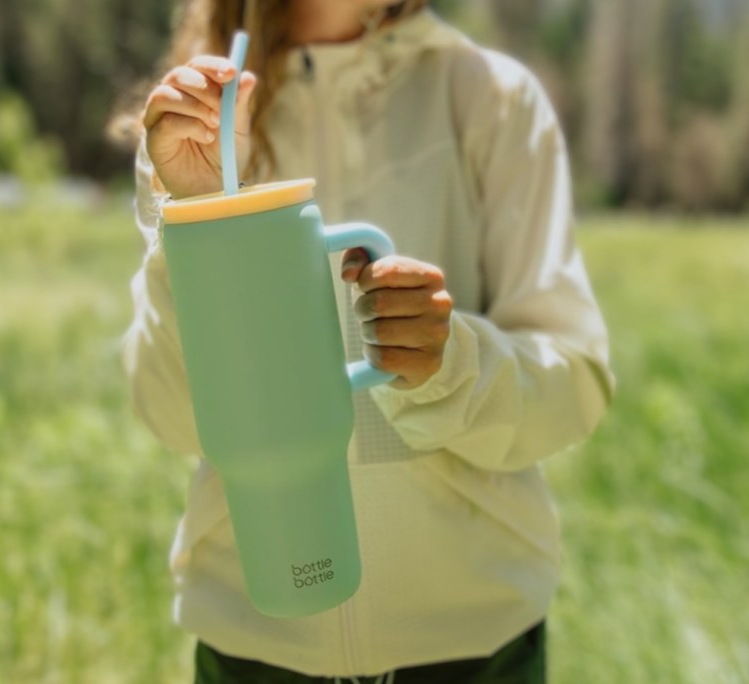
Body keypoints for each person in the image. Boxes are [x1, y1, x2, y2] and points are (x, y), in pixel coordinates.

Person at [123, 1, 614, 682]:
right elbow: (171, 414)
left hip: (474, 655)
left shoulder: (490, 99)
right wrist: (196, 218)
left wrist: (452, 367)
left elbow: (576, 382)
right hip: (257, 655)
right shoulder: (198, 125)